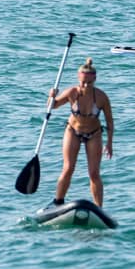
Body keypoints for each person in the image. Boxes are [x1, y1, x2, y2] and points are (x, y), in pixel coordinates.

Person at [47, 58, 114, 207]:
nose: (85, 85)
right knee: (68, 168)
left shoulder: (101, 97)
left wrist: (109, 143)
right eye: (83, 82)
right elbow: (53, 106)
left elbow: (110, 121)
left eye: (89, 83)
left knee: (94, 173)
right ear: (78, 78)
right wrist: (51, 96)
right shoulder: (72, 92)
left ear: (95, 79)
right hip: (73, 131)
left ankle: (99, 208)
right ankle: (58, 202)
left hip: (94, 134)